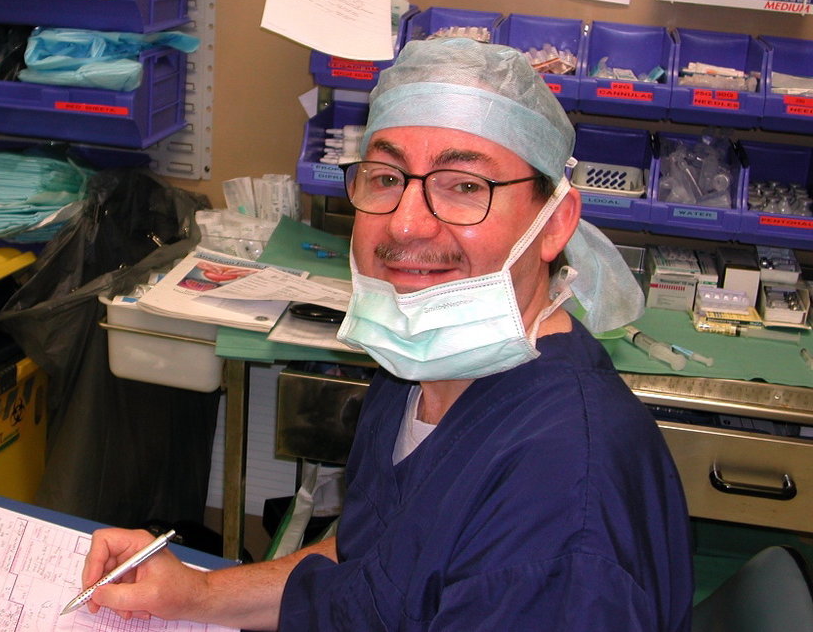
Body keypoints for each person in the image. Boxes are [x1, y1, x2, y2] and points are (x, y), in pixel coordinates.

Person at [80, 38, 694, 631]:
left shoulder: (560, 510)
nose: (405, 223)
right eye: (385, 178)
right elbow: (371, 566)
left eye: (464, 187)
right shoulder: (417, 372)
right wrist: (200, 592)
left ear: (554, 222)